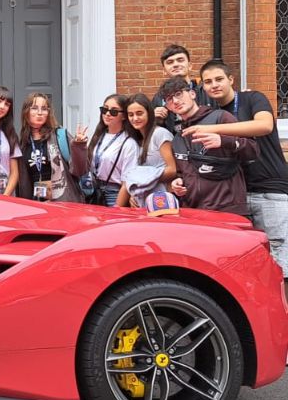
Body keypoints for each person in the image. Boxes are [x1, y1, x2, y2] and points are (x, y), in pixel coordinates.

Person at [192, 61, 287, 273]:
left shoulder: (252, 98)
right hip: (237, 195)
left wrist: (214, 129)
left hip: (270, 189)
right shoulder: (212, 114)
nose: (214, 85)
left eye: (219, 79)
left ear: (231, 80)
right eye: (208, 82)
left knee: (280, 259)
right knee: (250, 262)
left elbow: (264, 125)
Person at [160, 76, 257, 216]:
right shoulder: (177, 139)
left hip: (227, 209)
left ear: (192, 94)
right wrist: (178, 182)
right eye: (169, 99)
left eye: (179, 94)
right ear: (168, 107)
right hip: (194, 212)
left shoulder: (220, 118)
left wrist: (223, 141)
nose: (175, 101)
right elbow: (184, 173)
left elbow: (253, 150)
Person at [16, 92, 88, 202]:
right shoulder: (23, 143)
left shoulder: (60, 136)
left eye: (44, 109)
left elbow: (80, 170)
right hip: (37, 204)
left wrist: (79, 145)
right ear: (26, 112)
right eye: (34, 108)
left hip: (63, 202)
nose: (40, 113)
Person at [116, 94, 178, 207]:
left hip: (162, 200)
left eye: (139, 113)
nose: (135, 118)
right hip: (143, 200)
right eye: (131, 115)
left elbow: (172, 169)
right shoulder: (137, 139)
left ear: (149, 113)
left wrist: (140, 180)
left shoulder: (160, 134)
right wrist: (134, 193)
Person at [86, 94, 139, 207]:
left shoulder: (128, 143)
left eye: (114, 111)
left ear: (124, 116)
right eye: (104, 109)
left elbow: (127, 182)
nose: (107, 114)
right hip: (93, 191)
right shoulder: (99, 136)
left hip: (114, 194)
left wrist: (117, 208)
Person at [151, 44, 213, 134]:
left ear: (190, 65)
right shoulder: (159, 98)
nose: (176, 64)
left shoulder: (206, 90)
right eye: (170, 62)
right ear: (164, 71)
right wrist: (154, 120)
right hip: (176, 141)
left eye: (180, 60)